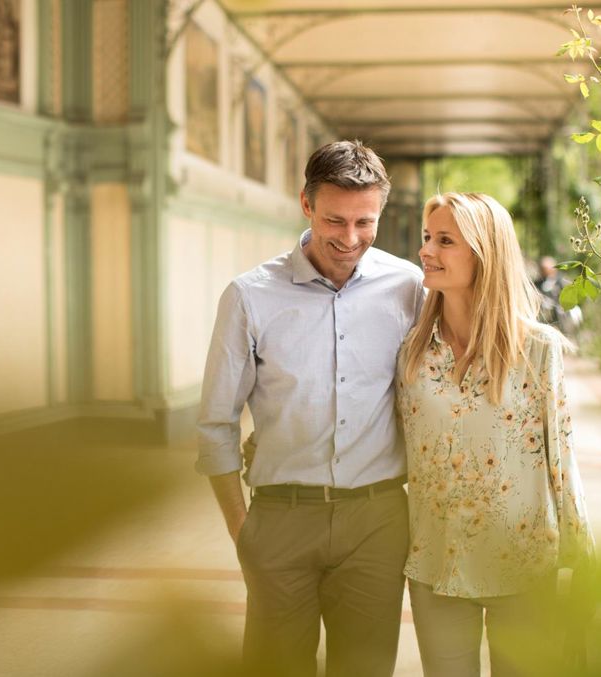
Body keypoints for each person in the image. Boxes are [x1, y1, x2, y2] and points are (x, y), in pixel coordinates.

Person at [195, 140, 424, 677]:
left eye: (365, 222)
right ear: (306, 204)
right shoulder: (249, 296)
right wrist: (243, 531)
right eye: (334, 220)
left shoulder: (409, 289)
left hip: (378, 520)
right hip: (279, 519)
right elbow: (215, 424)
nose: (349, 239)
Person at [398, 193, 595, 677]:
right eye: (427, 238)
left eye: (445, 241)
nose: (426, 251)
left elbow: (561, 459)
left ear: (485, 254)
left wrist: (584, 559)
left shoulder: (538, 350)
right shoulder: (412, 353)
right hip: (436, 564)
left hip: (525, 565)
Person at [534, 255, 580, 337]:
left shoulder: (562, 282)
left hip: (560, 319)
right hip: (542, 320)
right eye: (542, 269)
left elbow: (569, 300)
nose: (544, 271)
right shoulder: (537, 284)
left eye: (546, 269)